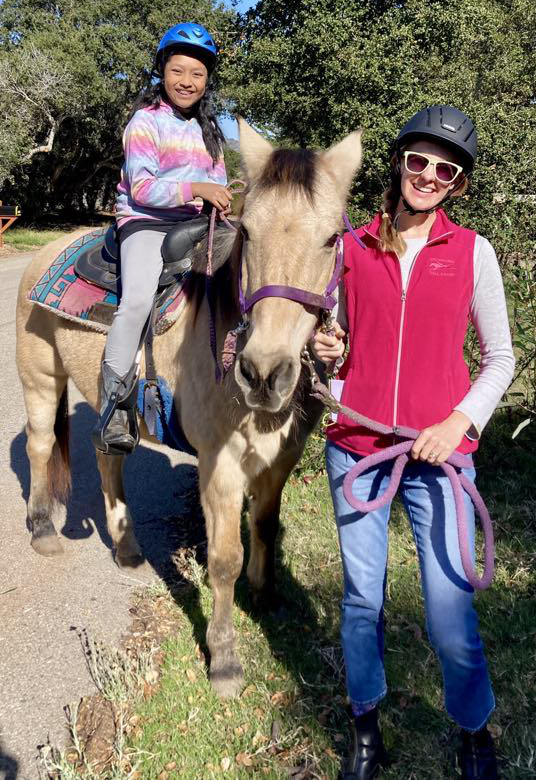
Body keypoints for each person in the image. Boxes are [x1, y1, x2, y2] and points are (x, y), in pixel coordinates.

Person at [313, 105, 515, 779]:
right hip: (357, 445)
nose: (428, 175)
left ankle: (473, 731)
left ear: (458, 185)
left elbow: (501, 359)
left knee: (449, 611)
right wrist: (327, 350)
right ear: (399, 163)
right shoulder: (351, 249)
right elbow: (333, 351)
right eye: (419, 161)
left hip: (442, 457)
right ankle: (366, 728)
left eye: (445, 169)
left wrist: (458, 423)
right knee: (362, 599)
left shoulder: (473, 252)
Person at [92, 22, 232, 454]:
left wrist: (222, 199)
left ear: (207, 81)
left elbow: (219, 181)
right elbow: (142, 187)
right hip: (146, 222)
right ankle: (114, 405)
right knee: (136, 301)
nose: (187, 81)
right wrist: (197, 190)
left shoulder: (211, 131)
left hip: (196, 225)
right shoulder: (144, 122)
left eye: (197, 74)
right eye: (178, 71)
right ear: (162, 71)